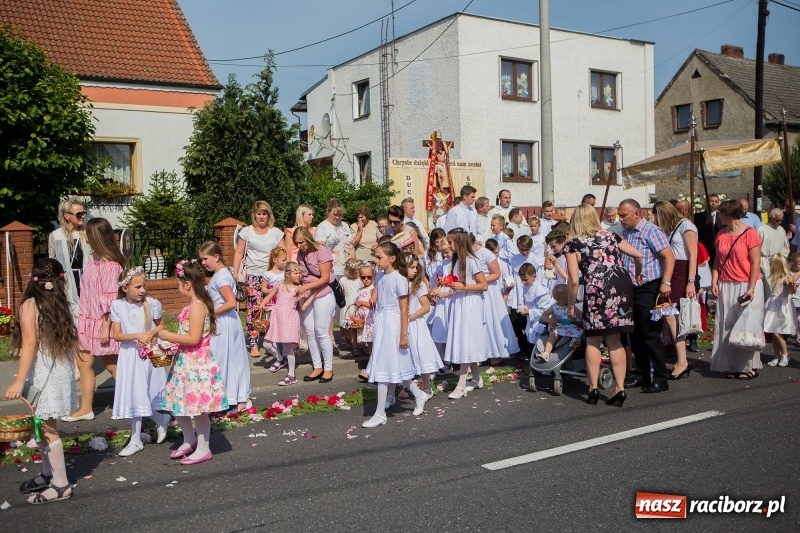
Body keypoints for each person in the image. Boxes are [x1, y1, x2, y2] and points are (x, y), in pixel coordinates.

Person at [5, 258, 79, 504]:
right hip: (59, 371)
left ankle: (61, 485)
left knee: (47, 429)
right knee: (44, 425)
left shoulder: (30, 305)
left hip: (45, 374)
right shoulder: (60, 303)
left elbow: (29, 344)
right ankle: (48, 473)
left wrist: (19, 380)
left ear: (32, 280)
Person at [566, 204, 642, 405]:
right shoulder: (610, 236)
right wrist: (639, 271)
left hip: (597, 288)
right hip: (620, 284)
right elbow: (637, 254)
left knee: (594, 340)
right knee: (615, 340)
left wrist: (571, 305)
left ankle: (592, 388)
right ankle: (620, 388)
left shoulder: (574, 244)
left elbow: (573, 280)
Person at [159, 260, 227, 465]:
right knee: (178, 402)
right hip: (186, 360)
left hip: (197, 361)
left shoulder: (198, 307)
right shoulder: (193, 304)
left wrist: (167, 335)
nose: (178, 287)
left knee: (198, 407)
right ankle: (189, 438)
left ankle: (204, 447)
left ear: (188, 284)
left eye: (179, 283)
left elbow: (193, 338)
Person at [63, 217, 125, 422]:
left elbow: (109, 298)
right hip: (87, 319)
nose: (85, 238)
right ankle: (86, 408)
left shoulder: (109, 265)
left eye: (88, 234)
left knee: (112, 366)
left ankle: (132, 402)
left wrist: (105, 327)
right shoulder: (94, 259)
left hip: (101, 323)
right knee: (83, 364)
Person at [362, 242, 429, 427]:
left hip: (394, 324)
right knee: (393, 366)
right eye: (375, 256)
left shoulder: (400, 279)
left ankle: (379, 413)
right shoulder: (381, 276)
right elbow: (379, 293)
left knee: (386, 366)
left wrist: (403, 334)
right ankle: (418, 394)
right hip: (382, 322)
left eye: (379, 257)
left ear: (392, 258)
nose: (376, 260)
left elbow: (404, 308)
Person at [110, 266, 169, 457]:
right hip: (130, 355)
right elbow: (117, 335)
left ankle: (141, 435)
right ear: (125, 288)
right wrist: (137, 335)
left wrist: (150, 334)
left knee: (146, 394)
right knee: (136, 395)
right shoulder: (117, 305)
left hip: (148, 355)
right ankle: (157, 423)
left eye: (144, 286)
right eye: (137, 287)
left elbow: (161, 326)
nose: (142, 290)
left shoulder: (152, 303)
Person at [618, 199, 675, 394]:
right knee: (635, 334)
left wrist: (666, 282)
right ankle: (643, 374)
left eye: (624, 215)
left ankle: (661, 376)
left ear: (637, 213)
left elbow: (669, 256)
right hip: (630, 287)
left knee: (650, 333)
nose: (621, 219)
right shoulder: (625, 232)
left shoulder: (651, 231)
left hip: (649, 286)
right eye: (619, 215)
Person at [710, 199, 764, 380]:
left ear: (730, 214)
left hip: (746, 284)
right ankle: (732, 365)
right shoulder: (721, 234)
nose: (719, 216)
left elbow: (756, 263)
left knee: (747, 327)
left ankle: (749, 366)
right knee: (728, 326)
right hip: (726, 284)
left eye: (721, 213)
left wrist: (751, 287)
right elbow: (717, 261)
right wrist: (714, 281)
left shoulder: (750, 233)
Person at [436, 230, 488, 399]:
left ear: (458, 243)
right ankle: (476, 378)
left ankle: (461, 384)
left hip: (471, 304)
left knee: (466, 341)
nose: (449, 247)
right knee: (465, 340)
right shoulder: (456, 262)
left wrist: (463, 287)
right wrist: (444, 292)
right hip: (459, 303)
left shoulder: (473, 261)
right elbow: (456, 286)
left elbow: (483, 285)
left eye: (450, 243)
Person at [200, 241, 250, 411]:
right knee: (231, 358)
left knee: (225, 359)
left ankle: (229, 397)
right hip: (226, 320)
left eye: (205, 259)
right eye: (201, 260)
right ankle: (234, 396)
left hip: (224, 321)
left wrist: (211, 313)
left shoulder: (221, 276)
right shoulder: (220, 273)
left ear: (216, 256)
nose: (203, 263)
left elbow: (230, 302)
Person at [651, 201, 698, 380]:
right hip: (670, 270)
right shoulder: (669, 228)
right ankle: (681, 359)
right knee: (669, 315)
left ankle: (682, 361)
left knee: (672, 315)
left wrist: (691, 281)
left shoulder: (687, 225)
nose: (656, 219)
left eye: (657, 216)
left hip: (682, 271)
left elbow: (693, 254)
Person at [233, 201, 285, 356]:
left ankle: (271, 341)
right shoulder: (247, 232)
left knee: (273, 309)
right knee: (254, 309)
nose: (262, 217)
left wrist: (286, 272)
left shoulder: (275, 232)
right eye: (259, 213)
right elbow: (239, 253)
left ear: (269, 215)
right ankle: (254, 343)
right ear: (254, 215)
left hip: (273, 276)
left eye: (264, 213)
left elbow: (283, 253)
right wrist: (235, 273)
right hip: (254, 277)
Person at [294, 227, 337, 383]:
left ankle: (328, 369)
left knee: (320, 330)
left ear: (307, 238)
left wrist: (306, 287)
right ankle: (317, 366)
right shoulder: (301, 254)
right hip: (308, 293)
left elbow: (325, 278)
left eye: (301, 242)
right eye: (296, 243)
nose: (299, 246)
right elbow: (303, 275)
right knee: (310, 331)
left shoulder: (321, 250)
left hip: (323, 292)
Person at [261, 262, 311, 386]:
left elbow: (303, 306)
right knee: (266, 344)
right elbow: (269, 296)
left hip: (289, 318)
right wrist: (262, 304)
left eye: (300, 273)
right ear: (288, 274)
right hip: (277, 317)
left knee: (289, 349)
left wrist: (311, 296)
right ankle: (280, 359)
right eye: (296, 273)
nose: (299, 275)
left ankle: (291, 375)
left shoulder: (298, 289)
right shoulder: (279, 285)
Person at [473, 234, 519, 364]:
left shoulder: (495, 260)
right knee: (482, 321)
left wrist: (506, 293)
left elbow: (502, 276)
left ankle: (497, 352)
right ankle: (482, 352)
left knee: (493, 321)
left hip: (493, 292)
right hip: (479, 291)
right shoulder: (471, 255)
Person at [404, 253, 443, 399]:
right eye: (411, 267)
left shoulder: (418, 284)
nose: (415, 270)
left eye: (416, 267)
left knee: (422, 355)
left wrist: (411, 317)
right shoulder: (401, 282)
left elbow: (425, 307)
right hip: (404, 324)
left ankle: (427, 387)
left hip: (416, 324)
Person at [48, 196, 91, 321]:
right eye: (79, 214)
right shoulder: (56, 236)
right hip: (66, 279)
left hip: (85, 277)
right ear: (67, 216)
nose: (82, 216)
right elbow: (52, 261)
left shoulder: (87, 233)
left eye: (84, 213)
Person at [764, 254, 798, 368]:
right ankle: (776, 355)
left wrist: (793, 284)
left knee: (777, 332)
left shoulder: (785, 278)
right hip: (773, 306)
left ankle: (784, 354)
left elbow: (791, 288)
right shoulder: (775, 277)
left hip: (781, 308)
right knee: (773, 332)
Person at [536, 284, 583, 363]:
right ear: (562, 299)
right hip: (559, 327)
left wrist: (579, 320)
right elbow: (544, 315)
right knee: (553, 336)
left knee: (577, 332)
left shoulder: (572, 306)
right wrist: (550, 320)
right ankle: (546, 353)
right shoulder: (554, 307)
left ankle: (574, 342)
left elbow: (579, 314)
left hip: (571, 325)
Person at [260, 247, 288, 362]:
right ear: (275, 260)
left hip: (283, 303)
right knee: (272, 326)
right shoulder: (268, 274)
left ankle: (285, 350)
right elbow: (263, 289)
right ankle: (275, 349)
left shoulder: (286, 273)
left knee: (283, 325)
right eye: (283, 260)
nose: (285, 262)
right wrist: (273, 290)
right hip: (272, 303)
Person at [757, 208, 789, 291]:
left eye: (781, 220)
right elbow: (756, 249)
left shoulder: (781, 230)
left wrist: (782, 259)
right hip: (765, 263)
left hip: (778, 263)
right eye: (777, 220)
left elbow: (785, 248)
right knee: (767, 288)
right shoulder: (761, 230)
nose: (780, 223)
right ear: (771, 218)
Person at [338, 260, 363, 351]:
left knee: (358, 324)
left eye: (355, 272)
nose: (353, 274)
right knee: (348, 324)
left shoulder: (360, 279)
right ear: (346, 270)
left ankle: (359, 343)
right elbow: (340, 292)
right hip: (348, 303)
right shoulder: (343, 280)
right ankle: (349, 340)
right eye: (350, 272)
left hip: (357, 303)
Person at [694, 193, 723, 266]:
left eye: (716, 201)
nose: (713, 203)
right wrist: (706, 223)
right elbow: (697, 232)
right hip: (705, 248)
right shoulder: (698, 216)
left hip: (718, 248)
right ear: (707, 202)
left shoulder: (722, 216)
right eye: (711, 201)